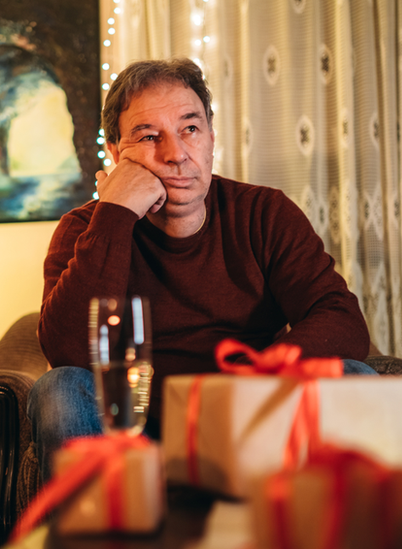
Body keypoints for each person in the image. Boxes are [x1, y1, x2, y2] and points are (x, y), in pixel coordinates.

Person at [28, 58, 374, 483]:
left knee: (355, 377)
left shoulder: (264, 213)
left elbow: (343, 321)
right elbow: (68, 353)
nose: (176, 154)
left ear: (211, 136)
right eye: (149, 136)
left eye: (190, 129)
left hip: (250, 421)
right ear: (117, 154)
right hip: (132, 435)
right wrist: (116, 213)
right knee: (60, 388)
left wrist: (254, 380)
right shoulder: (86, 228)